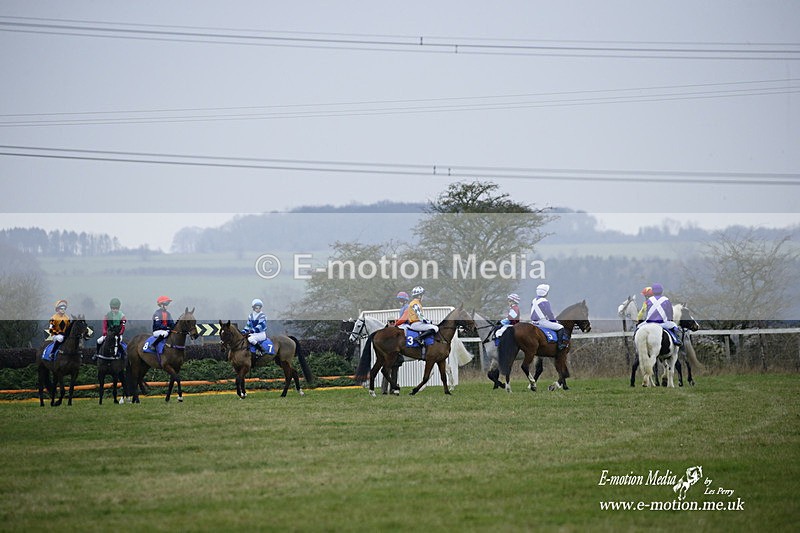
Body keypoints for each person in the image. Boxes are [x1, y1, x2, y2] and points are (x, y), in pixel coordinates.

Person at [530, 284, 569, 350]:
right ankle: (560, 345)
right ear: (545, 293)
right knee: (560, 327)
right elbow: (549, 313)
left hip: (533, 322)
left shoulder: (533, 300)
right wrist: (554, 321)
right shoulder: (545, 301)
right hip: (542, 322)